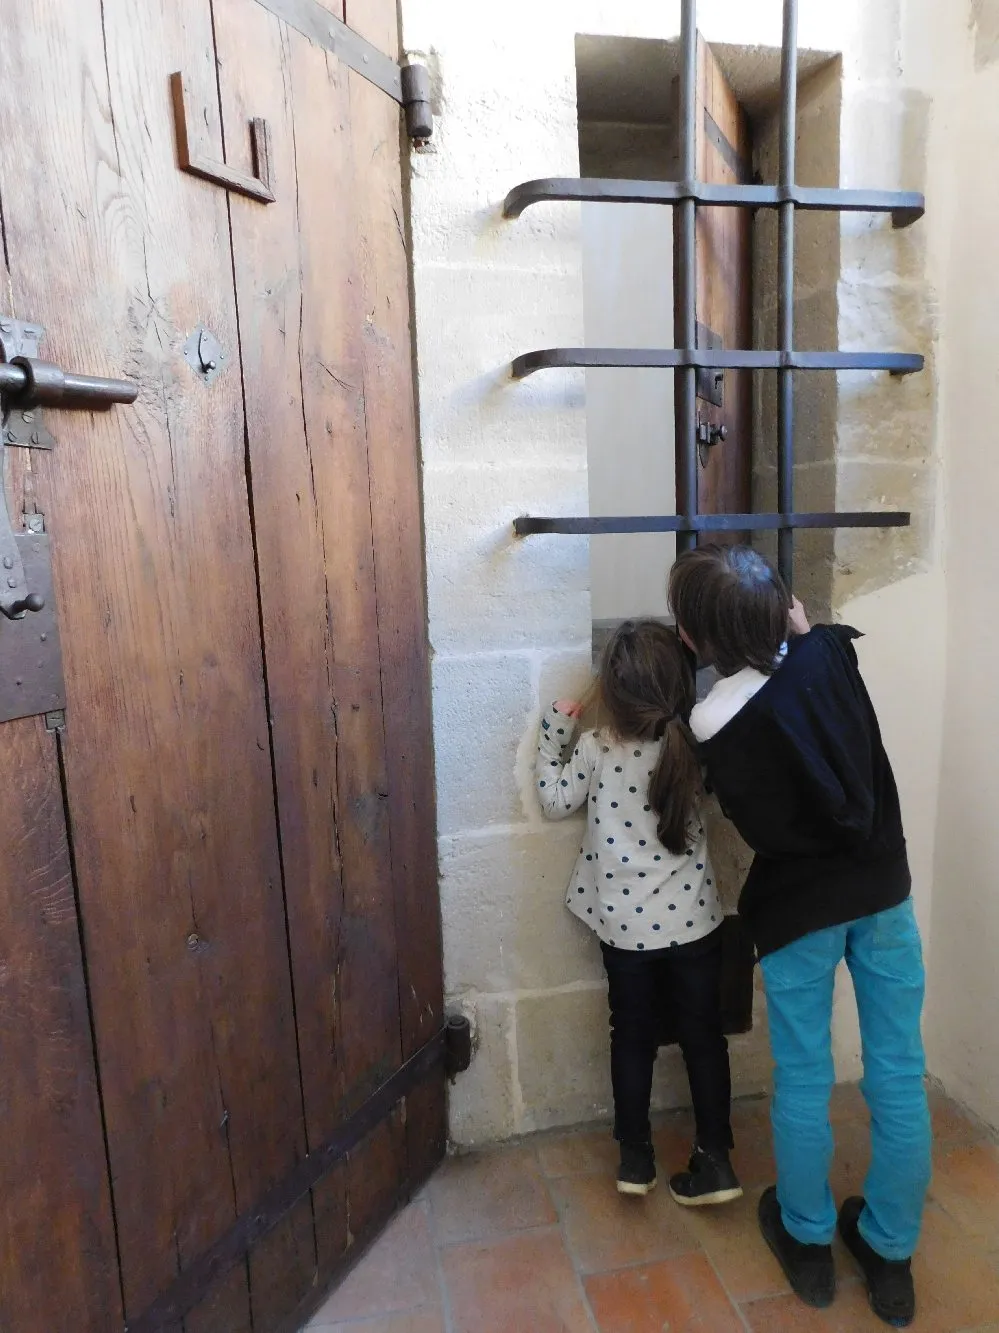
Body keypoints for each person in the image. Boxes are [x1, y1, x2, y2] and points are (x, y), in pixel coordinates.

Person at [668, 545, 930, 1329]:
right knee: (897, 1072)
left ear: (694, 637)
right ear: (781, 607)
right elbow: (809, 674)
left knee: (805, 1076)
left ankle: (808, 1238)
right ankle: (889, 1251)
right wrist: (800, 631)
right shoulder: (827, 652)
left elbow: (763, 726)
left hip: (796, 911)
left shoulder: (711, 718)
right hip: (882, 890)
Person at [535, 619, 742, 1206]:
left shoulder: (598, 749)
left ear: (614, 692)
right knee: (705, 1037)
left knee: (631, 1037)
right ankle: (716, 1157)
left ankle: (635, 1158)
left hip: (625, 933)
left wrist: (555, 731)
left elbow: (554, 800)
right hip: (695, 924)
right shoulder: (694, 748)